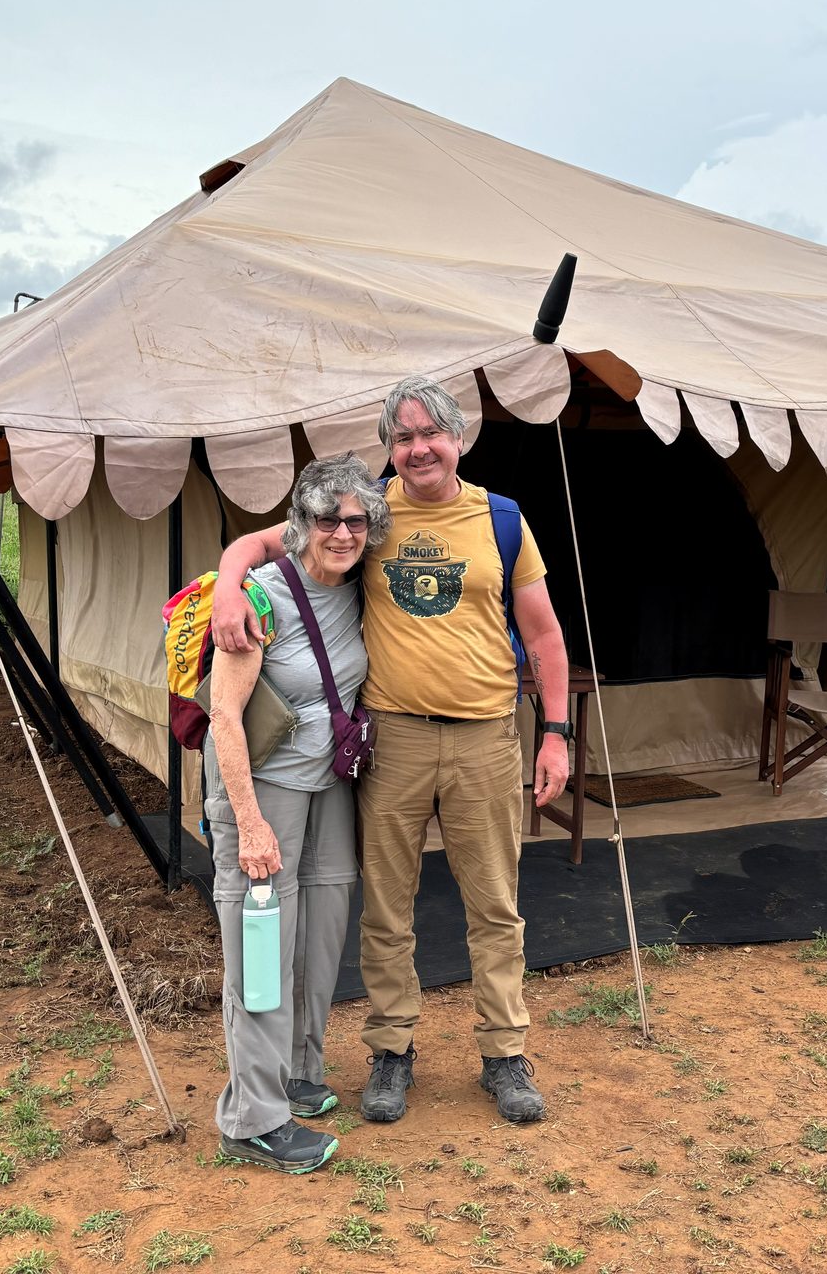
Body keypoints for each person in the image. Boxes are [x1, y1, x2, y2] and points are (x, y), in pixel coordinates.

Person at [214, 374, 570, 1124]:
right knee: (385, 905)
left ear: (460, 439)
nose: (417, 449)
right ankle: (391, 1050)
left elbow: (543, 633)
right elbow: (264, 538)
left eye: (430, 434)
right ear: (389, 449)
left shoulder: (502, 520)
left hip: (484, 736)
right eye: (402, 437)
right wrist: (226, 588)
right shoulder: (365, 516)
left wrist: (557, 733)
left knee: (495, 904)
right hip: (394, 737)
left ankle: (505, 1053)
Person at [206, 455, 389, 1174]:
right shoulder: (263, 594)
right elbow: (224, 713)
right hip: (265, 791)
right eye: (327, 518)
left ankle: (296, 1074)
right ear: (301, 521)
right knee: (261, 950)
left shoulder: (361, 585)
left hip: (330, 789)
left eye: (356, 519)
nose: (342, 532)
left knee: (320, 934)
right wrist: (248, 823)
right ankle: (253, 1118)